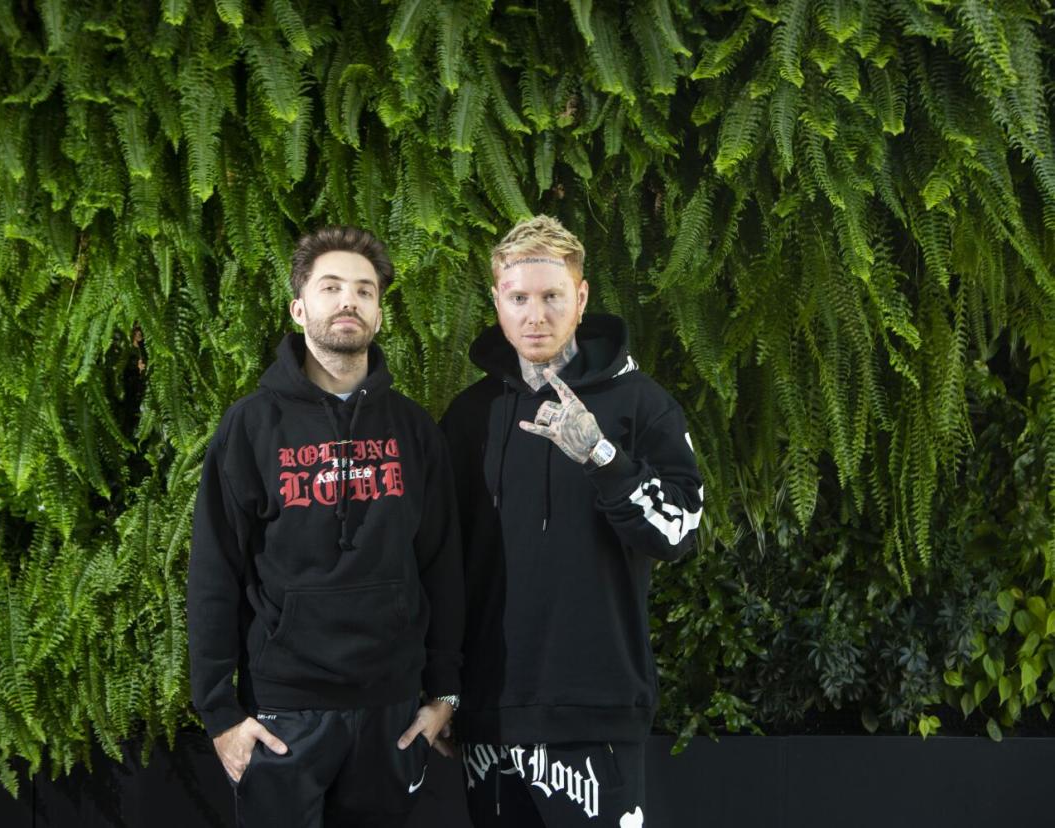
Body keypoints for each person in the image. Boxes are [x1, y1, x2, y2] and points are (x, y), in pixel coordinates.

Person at [187, 225, 464, 827]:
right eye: (331, 286)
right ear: (299, 307)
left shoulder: (414, 430)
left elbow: (442, 564)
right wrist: (221, 716)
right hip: (285, 712)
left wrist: (444, 693)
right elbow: (214, 573)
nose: (348, 302)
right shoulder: (251, 427)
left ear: (380, 314)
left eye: (365, 291)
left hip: (390, 709)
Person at [440, 215, 705, 827]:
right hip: (492, 713)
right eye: (520, 298)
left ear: (581, 299)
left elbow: (679, 531)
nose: (536, 315)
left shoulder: (640, 402)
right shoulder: (470, 415)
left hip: (597, 709)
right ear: (498, 302)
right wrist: (446, 689)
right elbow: (440, 562)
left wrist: (603, 457)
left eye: (553, 296)